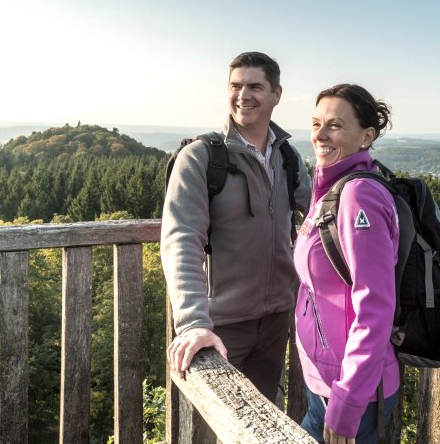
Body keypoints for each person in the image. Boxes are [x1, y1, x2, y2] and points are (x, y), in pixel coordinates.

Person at [161, 51, 311, 403]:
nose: (243, 95)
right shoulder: (201, 157)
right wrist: (194, 321)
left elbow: (321, 214)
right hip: (220, 326)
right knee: (214, 425)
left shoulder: (287, 157)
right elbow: (181, 238)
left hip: (276, 321)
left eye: (255, 86)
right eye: (235, 85)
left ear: (277, 94)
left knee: (261, 421)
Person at [294, 84, 400, 443]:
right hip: (326, 382)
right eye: (315, 123)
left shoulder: (358, 196)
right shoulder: (330, 187)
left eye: (335, 126)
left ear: (366, 136)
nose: (320, 135)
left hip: (352, 391)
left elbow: (375, 307)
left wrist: (348, 401)